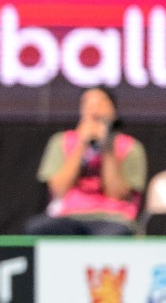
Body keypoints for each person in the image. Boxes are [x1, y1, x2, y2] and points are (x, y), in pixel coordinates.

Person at [25, 86, 147, 236]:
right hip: (68, 215)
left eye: (100, 104)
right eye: (88, 105)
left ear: (113, 112)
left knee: (114, 234)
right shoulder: (61, 142)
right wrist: (81, 144)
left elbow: (116, 194)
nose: (94, 110)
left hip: (111, 217)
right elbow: (58, 191)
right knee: (37, 228)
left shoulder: (130, 147)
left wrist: (107, 146)